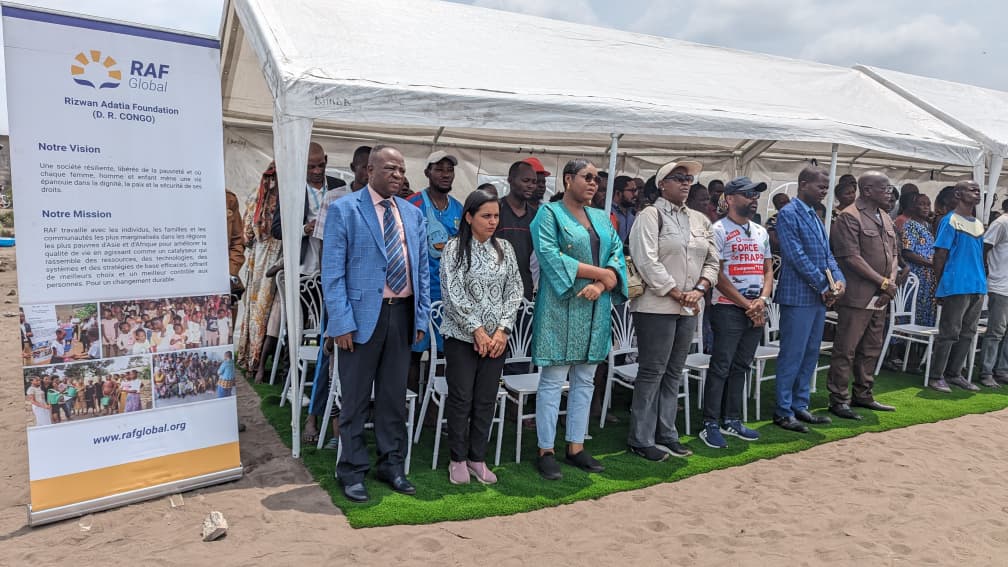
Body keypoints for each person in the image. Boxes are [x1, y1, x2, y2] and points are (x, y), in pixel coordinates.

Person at [321, 144, 430, 503]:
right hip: (360, 319)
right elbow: (333, 273)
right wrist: (340, 323)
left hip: (401, 314)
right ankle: (351, 470)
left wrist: (421, 317)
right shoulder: (344, 211)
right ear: (369, 170)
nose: (398, 175)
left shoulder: (412, 216)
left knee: (392, 399)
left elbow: (422, 272)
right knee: (354, 400)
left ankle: (391, 465)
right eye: (390, 169)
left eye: (401, 169)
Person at [530, 159, 627, 480]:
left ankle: (575, 446)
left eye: (597, 179)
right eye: (587, 177)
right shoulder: (548, 214)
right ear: (568, 178)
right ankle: (546, 450)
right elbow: (549, 255)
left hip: (595, 307)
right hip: (560, 305)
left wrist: (602, 283)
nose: (593, 183)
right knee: (553, 381)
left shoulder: (600, 217)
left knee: (585, 380)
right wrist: (597, 273)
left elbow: (616, 254)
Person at [627, 160, 718, 461]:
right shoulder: (650, 216)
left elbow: (713, 261)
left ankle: (667, 433)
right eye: (678, 178)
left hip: (690, 306)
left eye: (689, 178)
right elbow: (645, 260)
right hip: (657, 306)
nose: (686, 183)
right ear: (662, 184)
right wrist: (678, 292)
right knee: (653, 370)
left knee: (674, 371)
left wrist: (700, 289)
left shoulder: (699, 220)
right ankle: (640, 438)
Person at [440, 189, 523, 485]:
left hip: (496, 340)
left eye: (496, 216)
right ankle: (458, 458)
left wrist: (501, 330)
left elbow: (515, 291)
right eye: (486, 216)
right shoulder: (454, 248)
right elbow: (452, 293)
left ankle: (477, 457)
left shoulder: (505, 249)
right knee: (462, 398)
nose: (492, 222)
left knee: (486, 399)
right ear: (469, 217)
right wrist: (476, 330)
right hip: (462, 338)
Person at [772, 167, 845, 432]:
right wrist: (824, 284)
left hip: (817, 297)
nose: (824, 192)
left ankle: (799, 405)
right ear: (803, 185)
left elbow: (827, 255)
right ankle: (783, 410)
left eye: (826, 188)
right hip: (798, 296)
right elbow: (795, 256)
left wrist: (838, 281)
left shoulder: (814, 216)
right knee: (792, 354)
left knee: (810, 353)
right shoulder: (788, 214)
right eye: (820, 187)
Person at [702, 177, 772, 448]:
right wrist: (747, 304)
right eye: (746, 194)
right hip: (729, 308)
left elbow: (768, 269)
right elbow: (717, 275)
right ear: (729, 199)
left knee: (742, 365)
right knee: (721, 366)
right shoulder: (717, 229)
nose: (753, 199)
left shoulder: (761, 231)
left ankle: (732, 419)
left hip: (756, 308)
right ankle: (710, 423)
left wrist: (762, 300)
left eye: (755, 195)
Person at [827, 172, 900, 419]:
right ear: (867, 190)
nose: (890, 192)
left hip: (881, 296)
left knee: (871, 347)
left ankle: (863, 394)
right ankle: (838, 399)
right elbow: (850, 257)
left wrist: (888, 284)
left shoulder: (886, 218)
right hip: (858, 295)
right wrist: (882, 282)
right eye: (885, 188)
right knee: (846, 349)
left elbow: (894, 254)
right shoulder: (849, 217)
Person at [407, 150, 464, 390]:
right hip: (418, 294)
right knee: (413, 352)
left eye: (449, 170)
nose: (445, 174)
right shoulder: (413, 204)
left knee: (444, 352)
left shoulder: (459, 208)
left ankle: (433, 407)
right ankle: (406, 405)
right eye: (439, 169)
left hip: (447, 296)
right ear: (427, 172)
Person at [928, 181, 986, 393]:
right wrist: (940, 284)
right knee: (949, 332)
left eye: (978, 190)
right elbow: (940, 254)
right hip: (956, 283)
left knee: (968, 333)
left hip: (977, 284)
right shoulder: (949, 220)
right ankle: (936, 375)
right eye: (972, 190)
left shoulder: (978, 223)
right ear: (958, 194)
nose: (977, 193)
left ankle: (954, 374)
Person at [234, 162, 283, 379]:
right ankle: (257, 362)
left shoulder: (258, 195)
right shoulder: (285, 197)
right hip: (274, 256)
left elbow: (247, 235)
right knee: (264, 312)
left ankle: (254, 360)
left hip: (261, 257)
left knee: (257, 312)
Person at [495, 160, 538, 300]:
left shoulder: (536, 216)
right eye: (526, 180)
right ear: (510, 180)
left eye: (534, 182)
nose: (531, 186)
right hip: (495, 289)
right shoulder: (495, 210)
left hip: (525, 290)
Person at [981, 199, 1008, 388]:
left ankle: (1002, 370)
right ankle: (986, 372)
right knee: (996, 332)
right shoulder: (1001, 223)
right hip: (1000, 285)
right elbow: (985, 247)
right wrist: (985, 271)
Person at [901, 194, 937, 327]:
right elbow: (907, 252)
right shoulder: (910, 225)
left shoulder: (928, 226)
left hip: (929, 276)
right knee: (913, 309)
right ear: (913, 206)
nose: (926, 207)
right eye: (922, 204)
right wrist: (931, 264)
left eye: (928, 204)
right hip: (917, 274)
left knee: (926, 311)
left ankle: (921, 345)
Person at [611, 175, 638, 244]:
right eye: (632, 191)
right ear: (618, 193)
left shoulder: (633, 213)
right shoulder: (608, 211)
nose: (635, 194)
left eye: (636, 190)